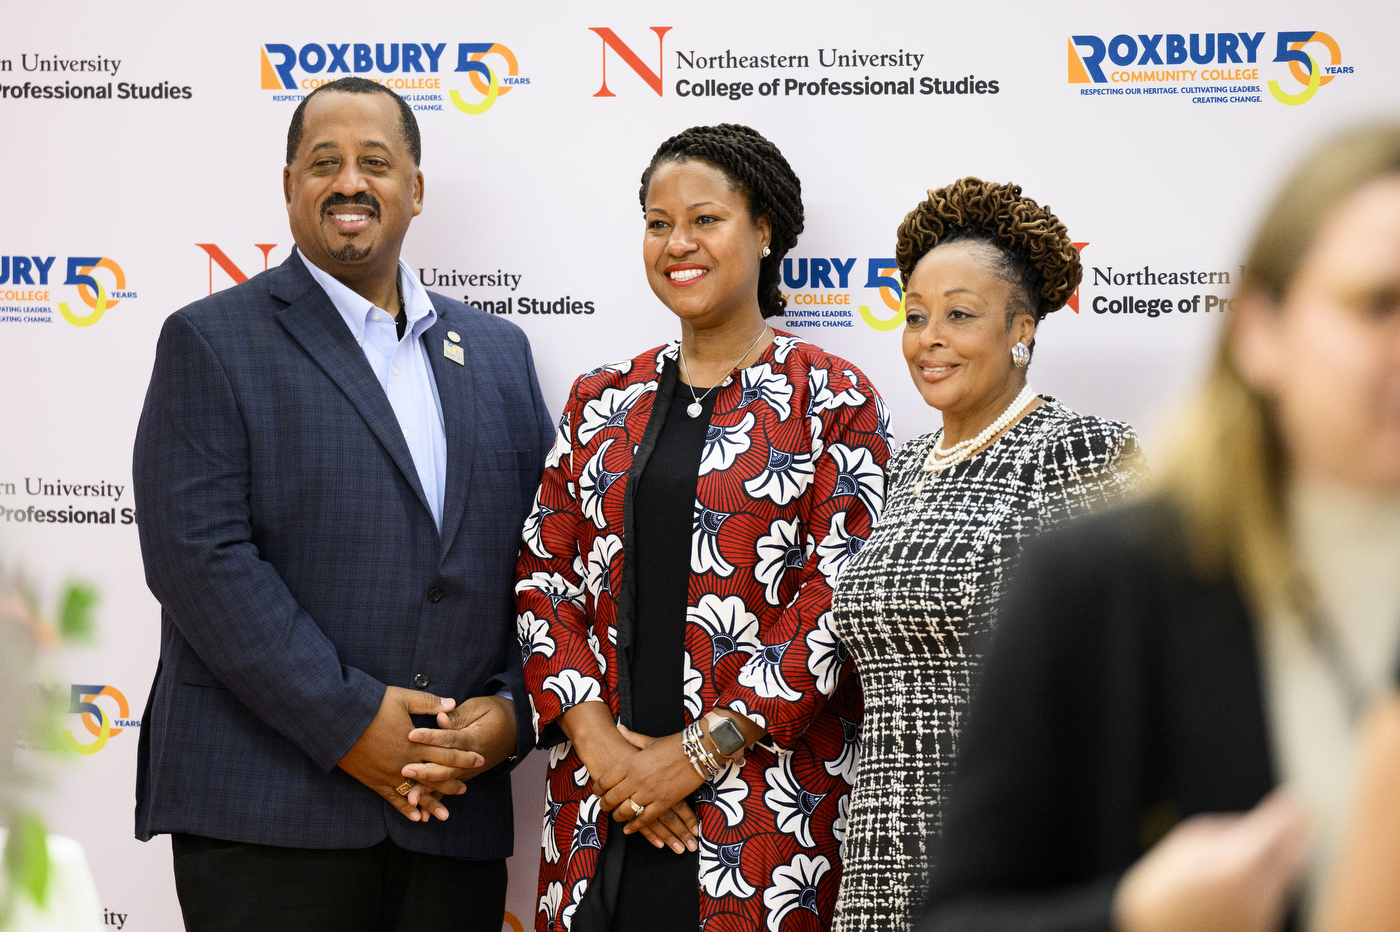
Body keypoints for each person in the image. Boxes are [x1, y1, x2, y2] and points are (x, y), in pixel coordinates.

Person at [920, 123, 1400, 932]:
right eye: (1378, 304)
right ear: (1260, 332)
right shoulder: (1100, 582)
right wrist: (1137, 916)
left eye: (959, 312)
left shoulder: (1068, 450)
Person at [131, 77, 553, 931]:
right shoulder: (210, 341)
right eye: (324, 163)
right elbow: (200, 562)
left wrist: (510, 712)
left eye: (376, 162)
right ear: (289, 186)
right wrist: (354, 723)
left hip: (450, 819)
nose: (351, 183)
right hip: (269, 817)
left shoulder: (502, 354)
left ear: (416, 189)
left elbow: (548, 556)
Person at [511, 124, 889, 932]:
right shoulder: (601, 399)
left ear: (764, 232)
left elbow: (837, 598)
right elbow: (544, 575)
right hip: (602, 811)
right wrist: (611, 756)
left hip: (760, 821)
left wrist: (692, 756)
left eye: (705, 219)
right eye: (658, 222)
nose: (677, 242)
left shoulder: (832, 398)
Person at [830, 178, 1149, 931]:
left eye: (959, 315)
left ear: (1022, 329)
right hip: (877, 855)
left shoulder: (1080, 449)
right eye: (914, 316)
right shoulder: (904, 466)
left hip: (1012, 852)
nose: (928, 338)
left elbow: (1125, 672)